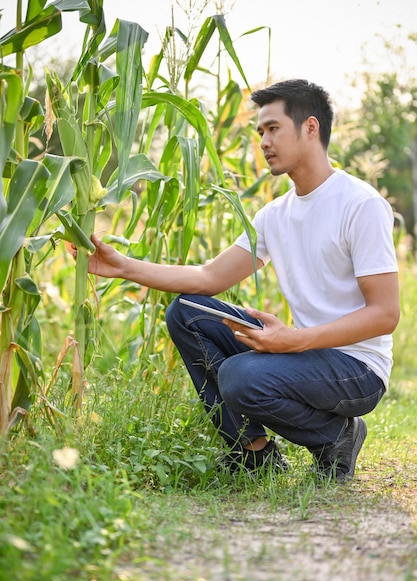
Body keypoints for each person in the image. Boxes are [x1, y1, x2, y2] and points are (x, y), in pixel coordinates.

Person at [78, 79, 400, 482]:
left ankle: (337, 435)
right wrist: (122, 266)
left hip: (357, 367)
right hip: (305, 352)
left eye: (273, 128)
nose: (264, 141)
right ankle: (254, 451)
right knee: (187, 311)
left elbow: (385, 314)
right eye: (260, 132)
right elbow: (208, 277)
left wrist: (293, 340)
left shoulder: (361, 204)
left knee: (240, 376)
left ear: (311, 128)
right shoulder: (274, 215)